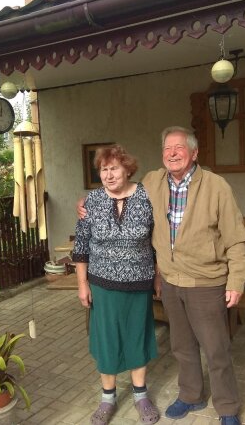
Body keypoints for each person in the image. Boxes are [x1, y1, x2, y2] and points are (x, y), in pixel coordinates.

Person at [78, 126, 245, 424]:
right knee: (181, 346)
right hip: (170, 281)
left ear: (194, 153)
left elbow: (236, 238)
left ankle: (227, 408)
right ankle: (190, 395)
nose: (172, 153)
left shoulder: (215, 186)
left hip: (204, 280)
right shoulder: (153, 182)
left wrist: (236, 281)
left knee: (216, 348)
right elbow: (110, 202)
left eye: (179, 147)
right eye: (167, 148)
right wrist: (84, 204)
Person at [72, 144, 160, 425]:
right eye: (103, 169)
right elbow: (82, 247)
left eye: (114, 168)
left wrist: (157, 274)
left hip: (139, 281)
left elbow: (158, 240)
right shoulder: (92, 202)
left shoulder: (148, 195)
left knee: (137, 334)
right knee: (107, 337)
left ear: (127, 169)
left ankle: (140, 394)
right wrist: (82, 283)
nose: (109, 175)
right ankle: (108, 397)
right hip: (102, 284)